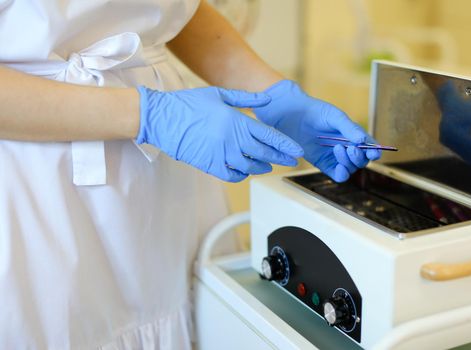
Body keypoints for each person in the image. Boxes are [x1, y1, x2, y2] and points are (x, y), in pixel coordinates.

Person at [0, 0, 380, 348]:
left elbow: (173, 9)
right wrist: (151, 116)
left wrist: (276, 97)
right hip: (44, 182)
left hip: (169, 180)